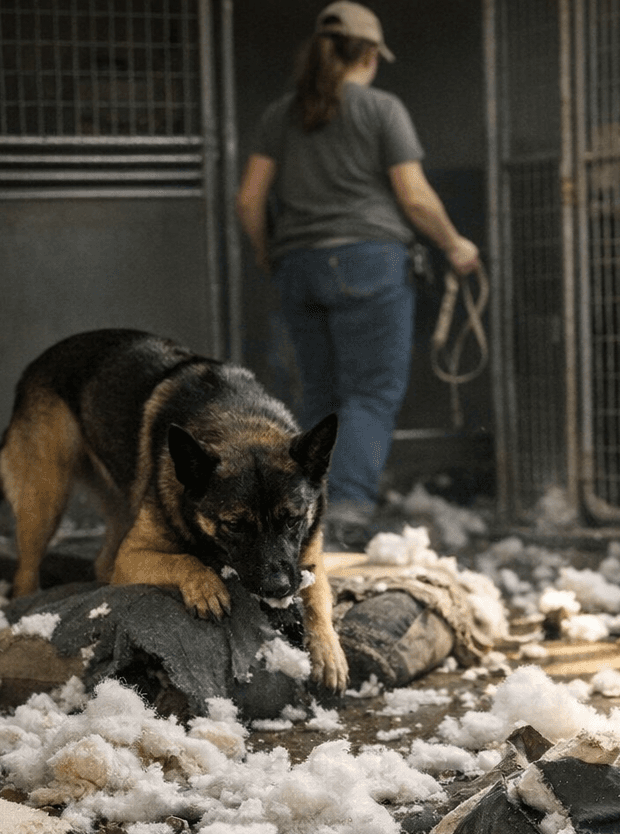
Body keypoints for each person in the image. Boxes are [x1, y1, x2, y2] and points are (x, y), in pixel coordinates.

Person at [235, 1, 481, 544]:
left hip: (298, 265)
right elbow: (414, 199)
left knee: (319, 393)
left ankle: (306, 513)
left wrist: (264, 250)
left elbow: (250, 199)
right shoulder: (382, 109)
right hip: (370, 263)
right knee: (370, 394)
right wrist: (454, 244)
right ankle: (346, 511)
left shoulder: (280, 115)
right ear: (369, 55)